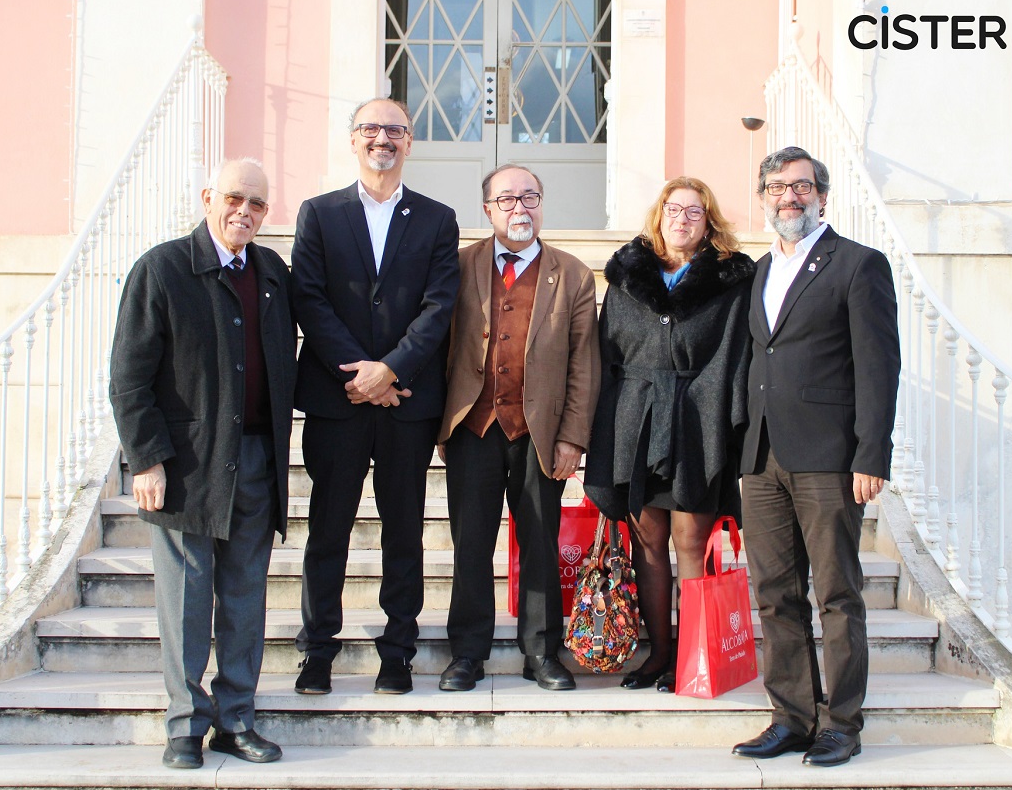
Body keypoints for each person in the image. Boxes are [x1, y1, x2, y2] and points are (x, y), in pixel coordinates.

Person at [110, 157, 294, 769]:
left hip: (258, 458)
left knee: (245, 595)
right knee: (186, 598)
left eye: (259, 204)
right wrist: (146, 459)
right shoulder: (163, 269)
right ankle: (185, 726)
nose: (246, 211)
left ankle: (236, 718)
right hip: (186, 463)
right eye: (236, 198)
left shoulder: (271, 271)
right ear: (208, 196)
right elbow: (129, 376)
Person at [731, 146, 900, 767]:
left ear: (822, 196)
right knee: (775, 592)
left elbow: (879, 368)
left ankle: (843, 724)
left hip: (830, 457)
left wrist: (871, 454)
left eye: (801, 187)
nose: (789, 197)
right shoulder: (758, 270)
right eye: (777, 187)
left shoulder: (858, 265)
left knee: (836, 593)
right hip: (764, 456)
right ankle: (792, 717)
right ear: (764, 197)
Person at [291, 97, 460, 696]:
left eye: (394, 130)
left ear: (410, 142)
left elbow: (440, 306)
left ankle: (399, 651)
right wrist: (360, 376)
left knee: (403, 530)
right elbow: (308, 299)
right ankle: (317, 652)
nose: (382, 139)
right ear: (353, 138)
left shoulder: (439, 219)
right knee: (328, 529)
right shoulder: (319, 213)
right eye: (371, 128)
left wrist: (389, 370)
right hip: (339, 402)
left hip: (408, 401)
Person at [584, 176, 755, 694]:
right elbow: (607, 353)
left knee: (689, 538)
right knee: (648, 540)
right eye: (673, 209)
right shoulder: (628, 279)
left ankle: (695, 652)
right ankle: (658, 653)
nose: (681, 219)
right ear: (659, 216)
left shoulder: (728, 282)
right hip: (634, 420)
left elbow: (733, 357)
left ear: (708, 224)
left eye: (694, 212)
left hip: (696, 422)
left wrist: (715, 418)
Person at [436, 164, 600, 692]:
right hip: (473, 426)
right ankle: (467, 653)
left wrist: (573, 437)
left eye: (529, 197)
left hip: (540, 432)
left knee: (539, 541)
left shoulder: (572, 274)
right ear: (487, 209)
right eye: (506, 199)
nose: (519, 207)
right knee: (471, 543)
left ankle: (542, 651)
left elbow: (584, 364)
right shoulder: (458, 266)